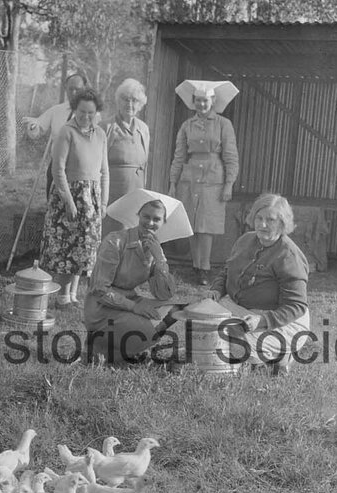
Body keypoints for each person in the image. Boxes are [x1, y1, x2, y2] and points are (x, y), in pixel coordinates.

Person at [204, 193, 311, 375]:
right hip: (241, 310)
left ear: (283, 223)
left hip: (280, 321)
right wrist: (216, 289)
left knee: (229, 344)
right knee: (204, 326)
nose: (262, 225)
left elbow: (297, 306)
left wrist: (263, 320)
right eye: (259, 218)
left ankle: (281, 356)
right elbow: (227, 271)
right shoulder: (245, 240)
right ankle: (261, 357)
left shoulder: (288, 256)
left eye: (270, 220)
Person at [83, 199, 178, 365]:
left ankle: (126, 348)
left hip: (130, 299)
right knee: (146, 331)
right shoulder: (115, 241)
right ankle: (103, 346)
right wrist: (135, 307)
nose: (150, 223)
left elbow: (163, 294)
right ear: (138, 216)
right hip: (101, 305)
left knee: (173, 308)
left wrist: (160, 260)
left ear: (163, 222)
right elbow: (99, 290)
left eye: (156, 219)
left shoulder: (154, 247)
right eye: (146, 217)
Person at [40, 88, 109, 307]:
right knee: (67, 246)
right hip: (69, 196)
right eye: (82, 112)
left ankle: (73, 295)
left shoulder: (100, 134)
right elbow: (57, 171)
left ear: (97, 112)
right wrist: (69, 201)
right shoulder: (66, 132)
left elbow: (104, 172)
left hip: (92, 197)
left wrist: (104, 202)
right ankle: (62, 296)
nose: (86, 117)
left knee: (85, 246)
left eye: (91, 112)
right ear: (74, 109)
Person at [168, 80, 240, 287]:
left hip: (213, 178)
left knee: (206, 226)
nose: (201, 104)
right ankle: (195, 265)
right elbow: (179, 156)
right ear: (193, 102)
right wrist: (173, 182)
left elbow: (231, 156)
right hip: (189, 179)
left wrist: (229, 184)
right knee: (192, 224)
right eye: (198, 100)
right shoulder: (186, 126)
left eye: (205, 100)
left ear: (213, 101)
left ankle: (205, 268)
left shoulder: (223, 124)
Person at [22, 72, 89, 200]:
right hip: (57, 167)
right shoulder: (57, 110)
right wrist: (33, 126)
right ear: (65, 89)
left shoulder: (92, 114)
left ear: (84, 89)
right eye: (70, 89)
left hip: (82, 169)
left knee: (79, 208)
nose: (74, 92)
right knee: (55, 207)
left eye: (78, 89)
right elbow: (37, 129)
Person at [102, 78, 150, 237]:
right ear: (118, 101)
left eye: (134, 100)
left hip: (136, 188)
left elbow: (145, 161)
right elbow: (98, 164)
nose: (130, 104)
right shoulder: (107, 127)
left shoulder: (143, 128)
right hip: (113, 191)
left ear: (140, 104)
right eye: (125, 99)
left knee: (133, 230)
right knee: (113, 231)